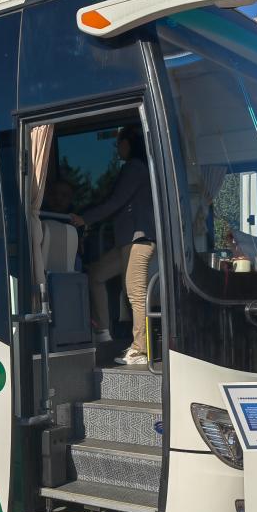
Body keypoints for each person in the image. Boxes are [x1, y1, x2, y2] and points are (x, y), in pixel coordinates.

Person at [70, 125, 156, 365]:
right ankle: (103, 332)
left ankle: (140, 350)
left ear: (128, 143)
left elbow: (116, 201)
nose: (117, 148)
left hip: (137, 240)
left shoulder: (134, 167)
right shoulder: (140, 168)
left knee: (135, 293)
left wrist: (85, 218)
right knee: (96, 274)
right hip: (127, 241)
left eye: (118, 143)